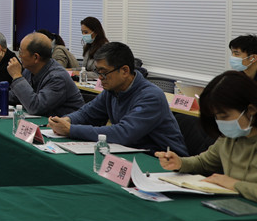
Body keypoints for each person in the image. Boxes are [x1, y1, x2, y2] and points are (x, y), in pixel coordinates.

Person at [49, 42, 187, 154]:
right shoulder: (112, 90)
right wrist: (66, 120)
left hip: (163, 161)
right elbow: (87, 113)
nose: (100, 78)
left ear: (125, 71)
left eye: (104, 73)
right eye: (98, 72)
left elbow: (123, 133)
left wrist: (71, 129)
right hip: (132, 152)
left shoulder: (151, 96)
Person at [156, 71, 257, 200]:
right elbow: (204, 162)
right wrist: (180, 163)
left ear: (251, 110)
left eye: (224, 116)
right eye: (216, 117)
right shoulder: (228, 138)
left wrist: (235, 185)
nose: (220, 122)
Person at [0, 32, 83, 116]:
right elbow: (16, 95)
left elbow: (36, 107)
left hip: (65, 128)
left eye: (21, 52)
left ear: (35, 57)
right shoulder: (29, 70)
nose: (19, 56)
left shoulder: (57, 77)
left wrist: (17, 76)